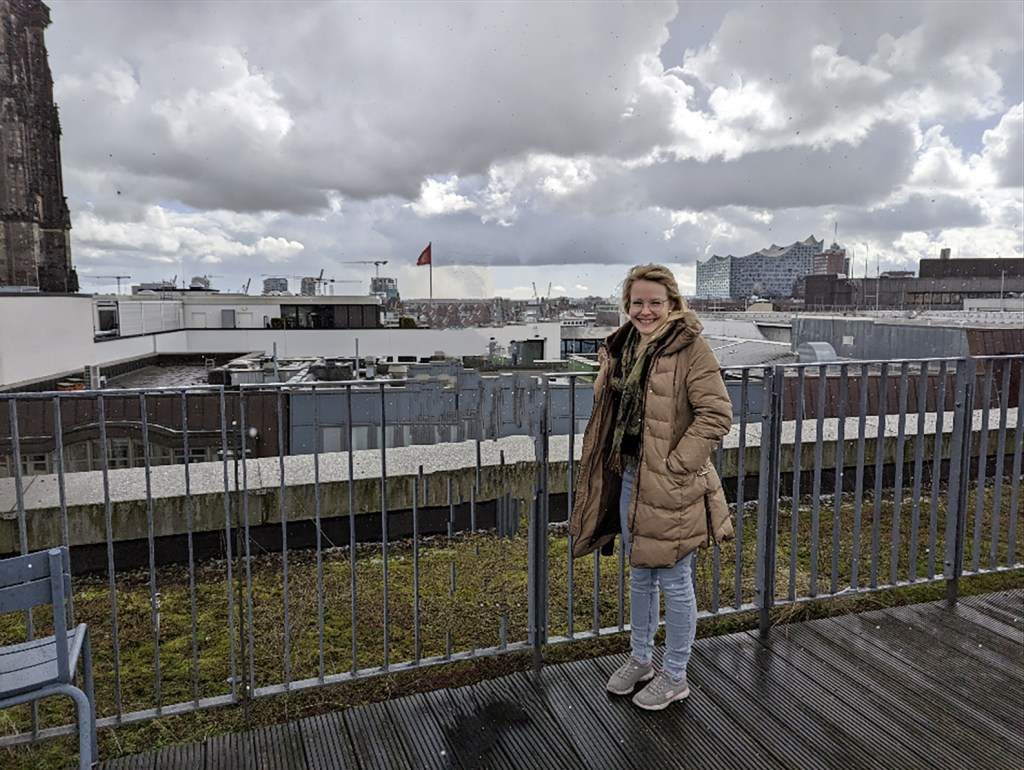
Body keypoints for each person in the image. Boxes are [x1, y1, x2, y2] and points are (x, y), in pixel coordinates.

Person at [568, 263, 734, 710]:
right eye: (637, 302)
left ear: (673, 305)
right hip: (629, 477)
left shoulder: (691, 348)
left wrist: (678, 463)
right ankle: (641, 658)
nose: (645, 310)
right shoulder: (623, 347)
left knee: (675, 582)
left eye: (655, 303)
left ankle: (675, 674)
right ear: (627, 305)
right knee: (640, 574)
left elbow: (716, 414)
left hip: (672, 483)